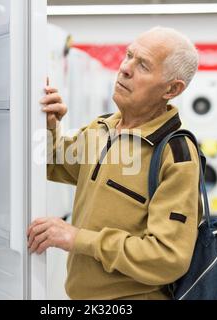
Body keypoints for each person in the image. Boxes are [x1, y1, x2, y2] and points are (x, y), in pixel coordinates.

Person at [27, 26, 201, 300]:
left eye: (143, 65)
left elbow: (168, 258)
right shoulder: (102, 129)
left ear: (172, 89)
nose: (125, 68)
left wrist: (77, 238)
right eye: (128, 55)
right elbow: (50, 163)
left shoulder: (175, 155)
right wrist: (48, 126)